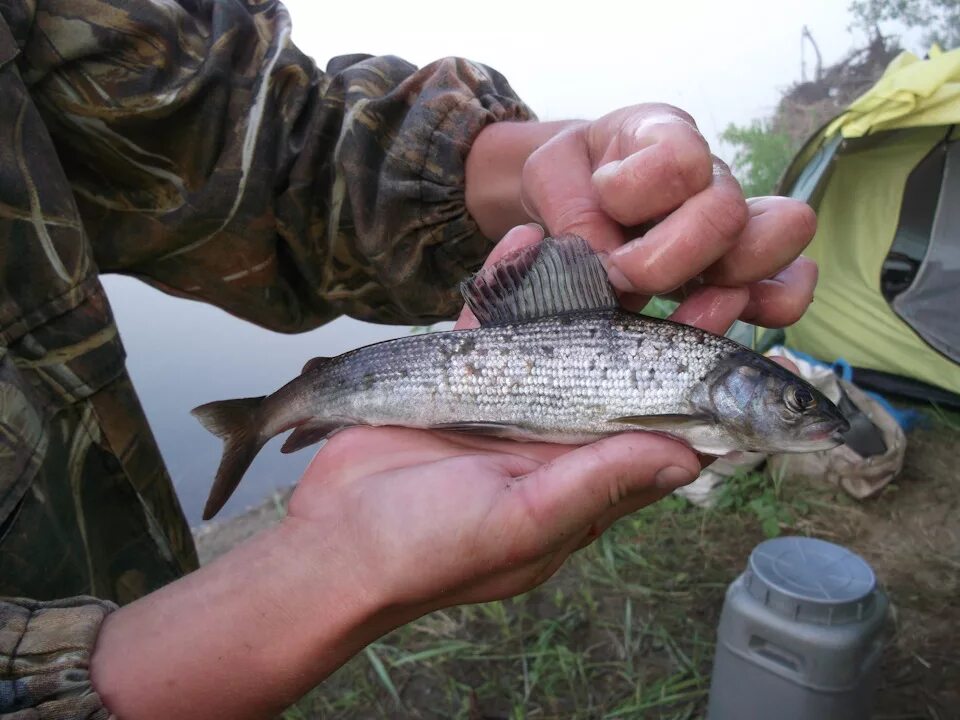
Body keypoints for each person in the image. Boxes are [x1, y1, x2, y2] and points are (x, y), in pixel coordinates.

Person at [0, 1, 818, 718]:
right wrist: (316, 578)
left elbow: (260, 139)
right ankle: (254, 424)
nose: (805, 419)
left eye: (798, 406)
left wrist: (530, 162)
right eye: (793, 405)